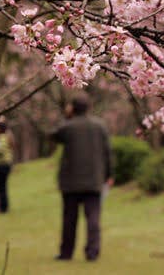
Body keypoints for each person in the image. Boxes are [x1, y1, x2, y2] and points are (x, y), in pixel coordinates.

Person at [51, 94, 113, 262]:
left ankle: (66, 252)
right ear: (89, 107)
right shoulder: (100, 126)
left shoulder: (68, 127)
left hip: (70, 182)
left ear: (72, 108)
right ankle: (92, 252)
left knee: (69, 219)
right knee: (93, 218)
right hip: (94, 180)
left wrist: (67, 116)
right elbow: (107, 153)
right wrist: (109, 175)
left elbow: (54, 135)